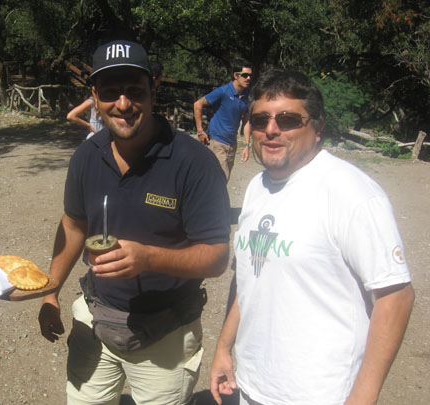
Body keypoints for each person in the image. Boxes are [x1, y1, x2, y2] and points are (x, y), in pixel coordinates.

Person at [38, 39, 231, 404]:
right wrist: (50, 292)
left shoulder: (193, 162)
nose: (123, 104)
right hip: (96, 316)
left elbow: (217, 256)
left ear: (153, 89)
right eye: (111, 92)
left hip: (166, 331)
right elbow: (74, 225)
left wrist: (148, 257)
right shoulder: (86, 156)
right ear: (94, 96)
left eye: (134, 91)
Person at [210, 69, 415, 405]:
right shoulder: (256, 188)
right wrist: (223, 349)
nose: (271, 129)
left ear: (318, 127)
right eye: (260, 120)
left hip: (321, 393)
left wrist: (362, 398)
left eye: (288, 120)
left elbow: (396, 297)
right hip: (251, 386)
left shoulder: (351, 193)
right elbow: (250, 279)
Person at [193, 59, 253, 181]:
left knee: (222, 180)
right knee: (219, 180)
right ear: (235, 75)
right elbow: (197, 104)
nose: (248, 78)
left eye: (250, 75)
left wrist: (247, 144)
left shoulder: (247, 96)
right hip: (217, 142)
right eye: (245, 75)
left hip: (232, 145)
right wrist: (200, 131)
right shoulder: (223, 92)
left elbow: (246, 120)